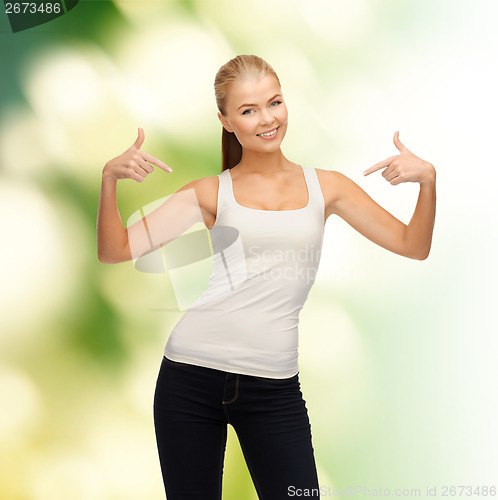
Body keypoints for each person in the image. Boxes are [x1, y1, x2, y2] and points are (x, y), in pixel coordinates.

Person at [96, 54, 436, 499]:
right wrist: (108, 178)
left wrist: (428, 181)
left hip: (274, 390)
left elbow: (414, 245)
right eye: (248, 111)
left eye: (274, 103)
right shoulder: (210, 192)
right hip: (190, 379)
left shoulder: (327, 188)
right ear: (225, 121)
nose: (266, 119)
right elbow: (115, 250)